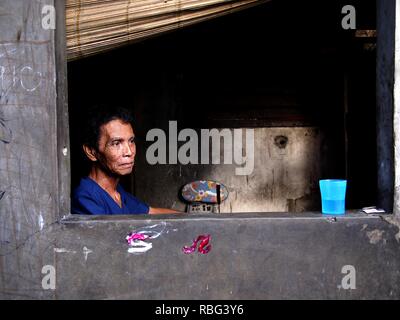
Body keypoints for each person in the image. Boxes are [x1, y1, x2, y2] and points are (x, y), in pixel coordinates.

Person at [72, 107, 181, 215]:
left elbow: (152, 212)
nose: (129, 152)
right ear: (91, 152)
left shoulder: (117, 193)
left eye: (131, 141)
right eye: (116, 143)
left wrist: (195, 219)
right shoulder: (85, 198)